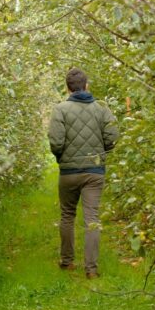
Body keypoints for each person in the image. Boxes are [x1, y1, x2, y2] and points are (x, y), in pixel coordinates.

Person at [47, 68, 119, 279]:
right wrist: (102, 152)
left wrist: (62, 158)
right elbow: (113, 134)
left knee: (67, 215)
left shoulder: (60, 110)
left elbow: (56, 142)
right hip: (94, 172)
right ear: (87, 86)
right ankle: (92, 269)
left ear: (68, 88)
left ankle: (67, 262)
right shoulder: (102, 109)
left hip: (68, 172)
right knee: (92, 218)